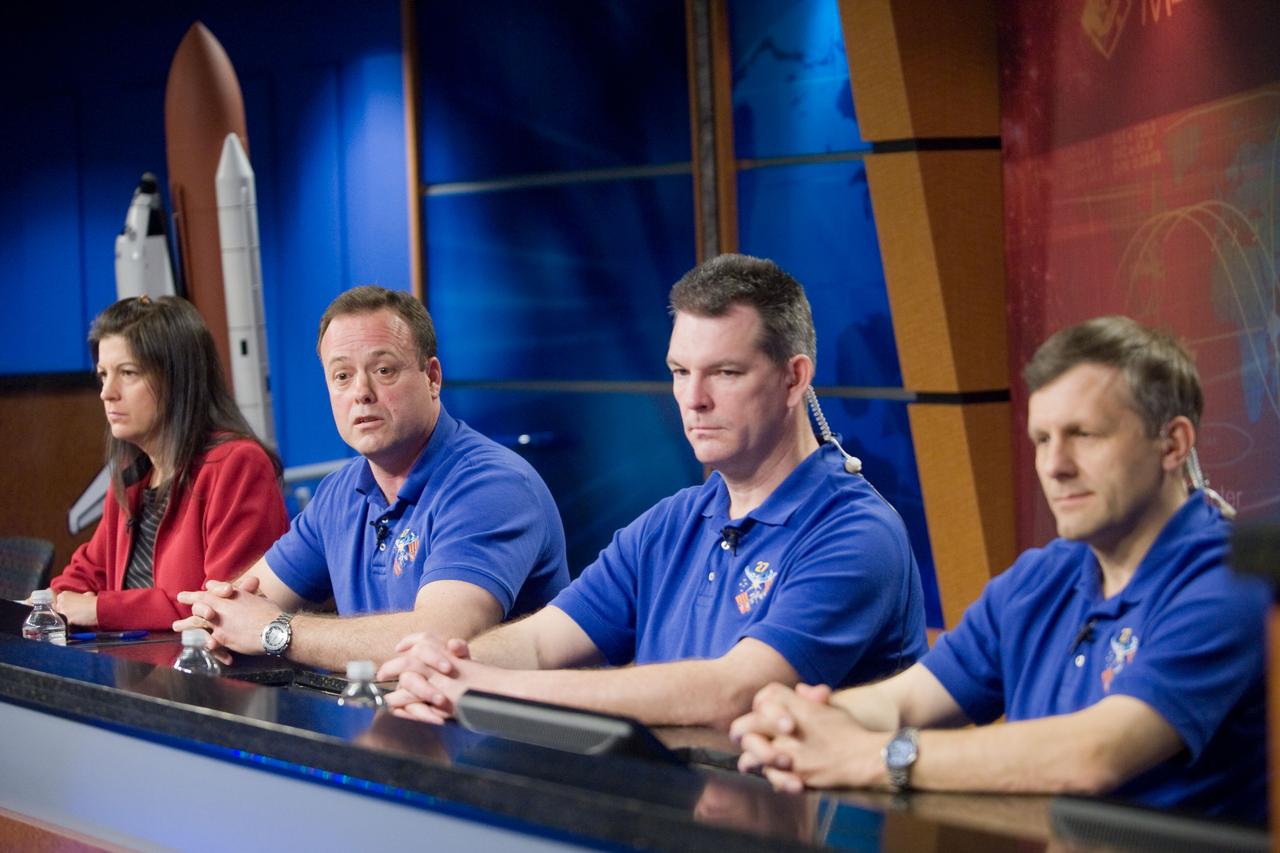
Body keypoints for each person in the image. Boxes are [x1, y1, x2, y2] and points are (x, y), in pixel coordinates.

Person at [731, 316, 1268, 824]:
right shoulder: (1041, 579)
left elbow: (1095, 754)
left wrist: (876, 757)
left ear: (1172, 444)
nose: (1055, 466)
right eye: (1042, 439)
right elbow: (906, 699)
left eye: (1085, 435)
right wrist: (796, 722)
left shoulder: (1232, 581)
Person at [379, 254, 927, 730]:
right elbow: (543, 642)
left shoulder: (857, 533)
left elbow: (734, 693)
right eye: (680, 370)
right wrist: (447, 666)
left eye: (726, 373)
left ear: (794, 378)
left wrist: (485, 686)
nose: (693, 398)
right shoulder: (675, 521)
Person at [174, 286, 568, 670]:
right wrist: (216, 622)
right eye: (342, 376)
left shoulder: (493, 486)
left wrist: (277, 630)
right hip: (389, 719)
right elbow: (244, 602)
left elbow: (436, 640)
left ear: (432, 377)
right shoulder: (340, 492)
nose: (361, 392)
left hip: (499, 732)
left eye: (384, 370)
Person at [51, 296, 289, 631]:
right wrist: (50, 601)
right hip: (136, 672)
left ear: (178, 380)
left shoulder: (238, 464)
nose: (107, 392)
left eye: (128, 373)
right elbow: (90, 570)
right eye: (103, 375)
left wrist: (101, 609)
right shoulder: (133, 478)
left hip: (208, 677)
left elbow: (224, 604)